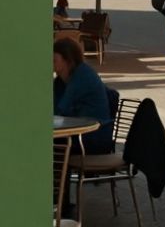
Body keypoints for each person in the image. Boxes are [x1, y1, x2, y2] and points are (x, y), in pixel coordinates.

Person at [53, 36, 115, 220]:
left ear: (67, 60)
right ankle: (59, 204)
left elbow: (61, 109)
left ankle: (60, 206)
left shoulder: (82, 76)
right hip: (77, 134)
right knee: (54, 144)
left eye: (54, 59)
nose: (50, 63)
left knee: (54, 148)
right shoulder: (61, 80)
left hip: (95, 138)